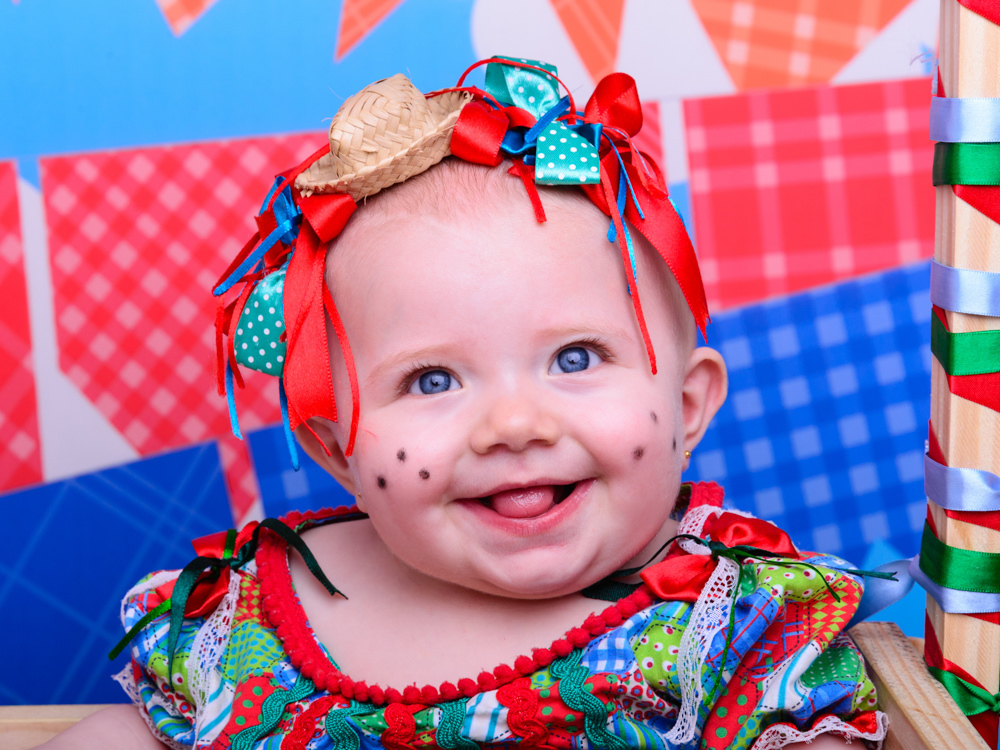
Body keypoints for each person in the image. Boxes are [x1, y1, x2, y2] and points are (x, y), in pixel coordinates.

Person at [41, 58, 888, 750]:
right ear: (337, 448)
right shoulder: (249, 621)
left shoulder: (727, 630)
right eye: (433, 381)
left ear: (690, 403)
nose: (515, 426)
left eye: (576, 356)